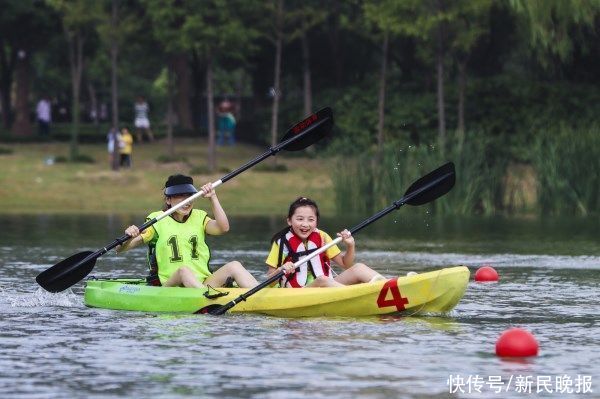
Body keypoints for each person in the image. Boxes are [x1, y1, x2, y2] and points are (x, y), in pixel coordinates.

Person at [117, 174, 258, 289]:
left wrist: (213, 197)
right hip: (171, 286)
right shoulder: (156, 220)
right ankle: (210, 298)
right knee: (183, 271)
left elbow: (223, 228)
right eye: (180, 196)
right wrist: (129, 236)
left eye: (190, 196)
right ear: (168, 199)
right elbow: (120, 249)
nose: (187, 201)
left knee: (234, 265)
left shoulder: (199, 217)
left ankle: (261, 295)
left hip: (203, 284)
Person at [266, 197, 385, 288]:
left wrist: (350, 245)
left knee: (359, 268)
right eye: (300, 219)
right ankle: (362, 295)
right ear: (289, 221)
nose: (305, 224)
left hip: (327, 287)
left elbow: (346, 264)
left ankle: (387, 287)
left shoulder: (322, 237)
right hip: (299, 293)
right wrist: (281, 270)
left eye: (311, 219)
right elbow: (269, 282)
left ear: (316, 222)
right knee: (322, 280)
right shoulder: (281, 243)